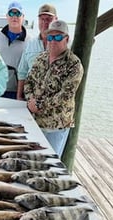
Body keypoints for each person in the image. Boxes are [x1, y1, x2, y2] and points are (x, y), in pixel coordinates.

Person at [24, 20, 84, 157]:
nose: (52, 41)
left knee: (50, 165)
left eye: (57, 37)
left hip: (56, 127)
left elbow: (65, 96)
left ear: (67, 39)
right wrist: (30, 101)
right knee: (32, 160)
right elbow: (29, 82)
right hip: (34, 122)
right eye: (50, 37)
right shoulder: (41, 58)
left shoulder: (74, 65)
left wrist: (38, 104)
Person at [17, 4, 57, 100]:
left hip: (54, 104)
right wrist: (19, 96)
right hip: (31, 100)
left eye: (48, 19)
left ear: (56, 19)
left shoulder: (66, 44)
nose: (44, 22)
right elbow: (22, 71)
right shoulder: (30, 43)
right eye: (41, 19)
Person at [0, 2, 31, 99]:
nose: (14, 17)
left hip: (17, 91)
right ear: (6, 16)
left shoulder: (30, 41)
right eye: (11, 13)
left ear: (23, 17)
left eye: (18, 14)